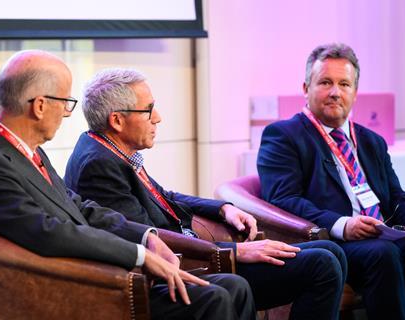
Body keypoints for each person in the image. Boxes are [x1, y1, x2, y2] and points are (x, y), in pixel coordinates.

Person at [0, 50, 258, 320]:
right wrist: (139, 256)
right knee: (215, 297)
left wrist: (146, 237)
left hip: (95, 275)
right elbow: (49, 232)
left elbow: (78, 206)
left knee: (234, 287)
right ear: (39, 106)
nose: (67, 114)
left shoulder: (24, 149)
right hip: (76, 291)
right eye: (66, 103)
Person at [64, 67, 347, 319]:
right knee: (322, 264)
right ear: (117, 120)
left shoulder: (108, 149)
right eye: (149, 110)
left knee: (331, 250)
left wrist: (222, 208)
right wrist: (235, 251)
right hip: (190, 264)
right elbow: (148, 236)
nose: (158, 118)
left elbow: (165, 196)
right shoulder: (99, 165)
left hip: (199, 253)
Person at [257, 43, 405, 320]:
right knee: (384, 254)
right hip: (332, 242)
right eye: (325, 82)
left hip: (385, 235)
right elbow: (283, 201)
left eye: (344, 84)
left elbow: (396, 196)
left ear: (355, 92)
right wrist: (343, 225)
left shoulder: (370, 141)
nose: (335, 92)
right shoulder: (283, 136)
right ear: (306, 88)